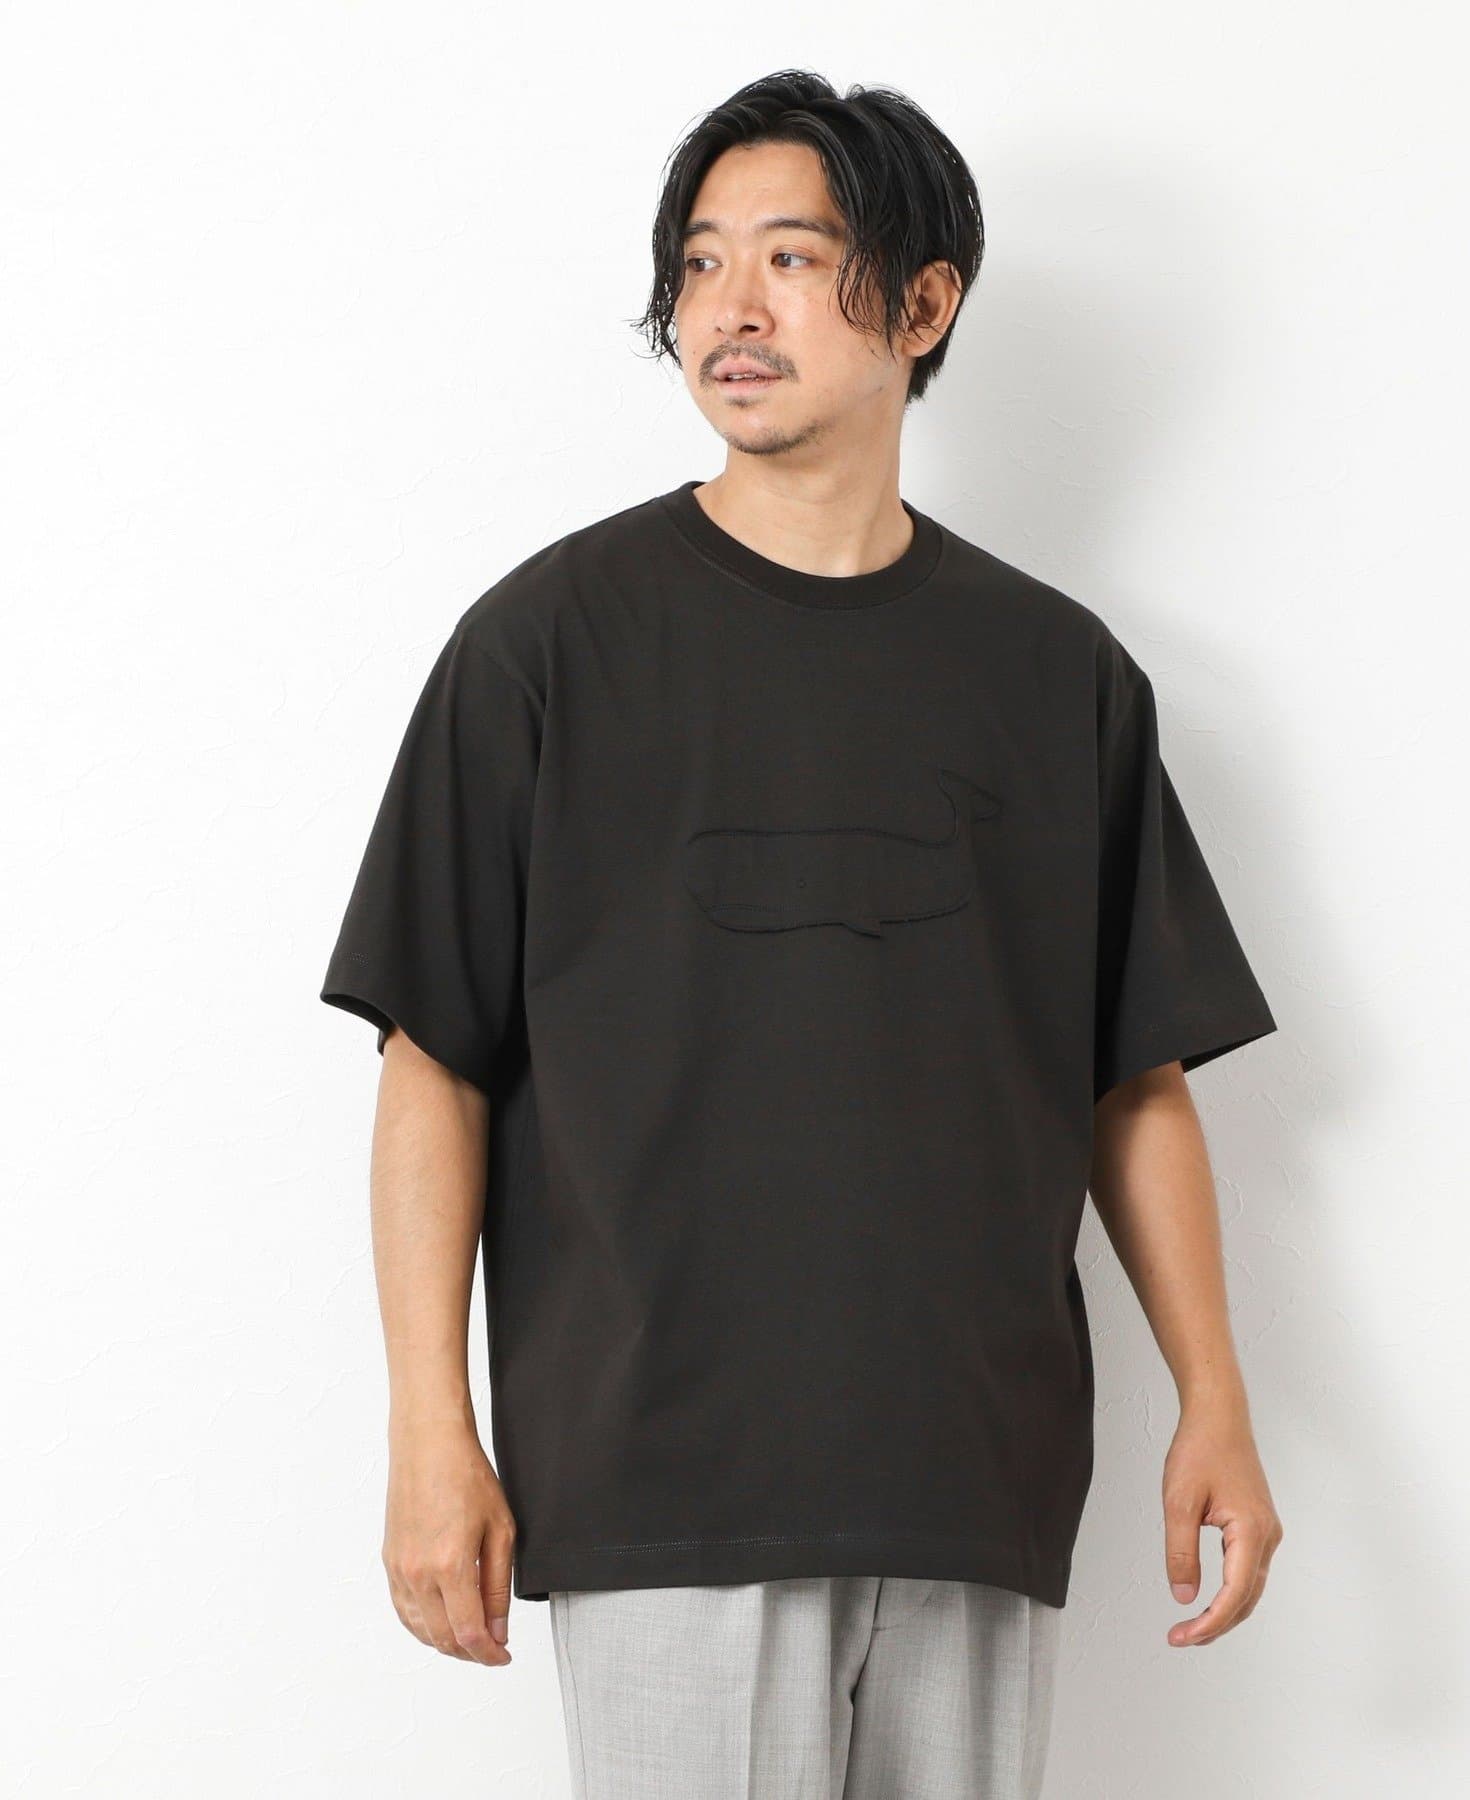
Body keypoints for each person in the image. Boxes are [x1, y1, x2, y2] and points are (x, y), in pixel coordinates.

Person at [319, 69, 1285, 1800]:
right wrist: (427, 1433)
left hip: (972, 1482)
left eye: (789, 255)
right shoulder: (545, 649)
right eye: (700, 263)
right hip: (662, 1479)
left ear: (924, 305)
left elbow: (1132, 1078)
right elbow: (430, 1061)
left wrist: (1214, 1395)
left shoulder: (1057, 677)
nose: (729, 309)